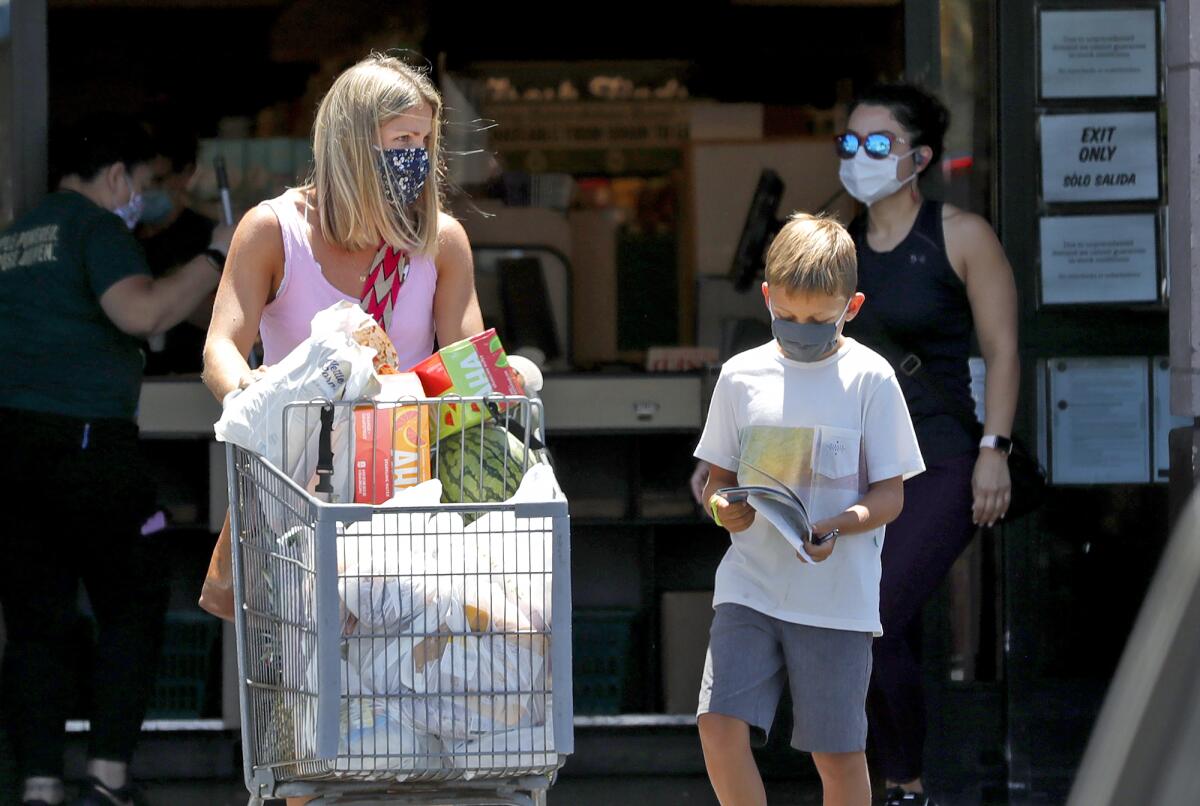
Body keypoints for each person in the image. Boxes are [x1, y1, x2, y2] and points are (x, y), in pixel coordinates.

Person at [200, 54, 483, 806]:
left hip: (410, 505)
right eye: (398, 144)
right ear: (351, 143)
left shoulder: (439, 241)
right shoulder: (274, 231)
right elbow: (221, 347)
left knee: (412, 703)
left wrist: (491, 384)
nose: (414, 161)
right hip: (302, 502)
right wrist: (253, 397)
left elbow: (467, 363)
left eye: (424, 143)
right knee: (309, 711)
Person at [0, 117, 233, 806]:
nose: (146, 195)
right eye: (145, 181)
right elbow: (143, 313)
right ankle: (107, 776)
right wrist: (217, 255)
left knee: (36, 622)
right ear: (114, 178)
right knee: (134, 596)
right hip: (88, 449)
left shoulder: (17, 238)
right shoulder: (98, 228)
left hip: (12, 451)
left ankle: (39, 785)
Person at [695, 213, 925, 806]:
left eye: (820, 320)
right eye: (789, 317)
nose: (802, 330)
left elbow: (890, 494)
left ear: (852, 306)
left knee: (838, 754)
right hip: (749, 585)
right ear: (767, 297)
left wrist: (839, 524)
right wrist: (725, 509)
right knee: (718, 726)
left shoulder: (871, 378)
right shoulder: (741, 375)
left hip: (836, 598)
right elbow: (717, 483)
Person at [836, 84, 1019, 806]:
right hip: (853, 464)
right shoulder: (833, 242)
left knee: (874, 615)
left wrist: (994, 448)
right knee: (872, 623)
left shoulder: (960, 233)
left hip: (942, 458)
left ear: (920, 157)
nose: (860, 157)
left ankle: (903, 781)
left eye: (878, 144)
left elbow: (1004, 349)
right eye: (849, 143)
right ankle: (888, 783)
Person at [136, 117, 220, 375]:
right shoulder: (119, 236)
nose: (146, 191)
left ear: (187, 173)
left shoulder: (213, 239)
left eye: (158, 180)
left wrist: (170, 291)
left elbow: (235, 319)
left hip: (190, 384)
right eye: (140, 182)